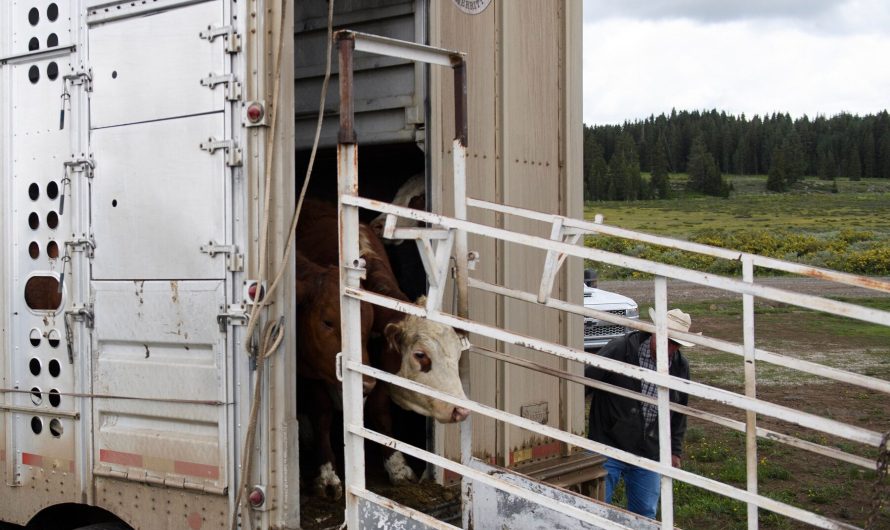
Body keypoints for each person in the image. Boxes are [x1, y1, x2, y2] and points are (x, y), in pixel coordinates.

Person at [585, 307, 695, 519]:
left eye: (676, 344)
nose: (670, 348)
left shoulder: (680, 366)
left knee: (645, 512)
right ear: (654, 332)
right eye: (667, 340)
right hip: (608, 442)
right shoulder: (621, 349)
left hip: (649, 448)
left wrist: (675, 450)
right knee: (597, 507)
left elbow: (680, 411)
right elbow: (587, 379)